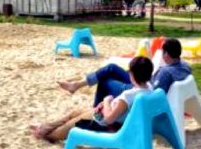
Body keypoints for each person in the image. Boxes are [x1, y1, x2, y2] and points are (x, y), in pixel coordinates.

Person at [30, 56, 154, 143]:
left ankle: (44, 133)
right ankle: (45, 126)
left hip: (100, 122)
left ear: (132, 75)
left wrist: (106, 101)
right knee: (73, 114)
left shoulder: (128, 95)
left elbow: (109, 119)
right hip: (102, 115)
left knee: (64, 129)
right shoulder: (150, 89)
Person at [58, 38, 191, 108]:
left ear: (167, 54)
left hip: (141, 89)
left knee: (105, 80)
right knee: (111, 68)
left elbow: (153, 93)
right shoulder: (185, 66)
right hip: (144, 83)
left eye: (163, 53)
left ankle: (95, 110)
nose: (162, 55)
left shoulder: (166, 72)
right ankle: (75, 85)